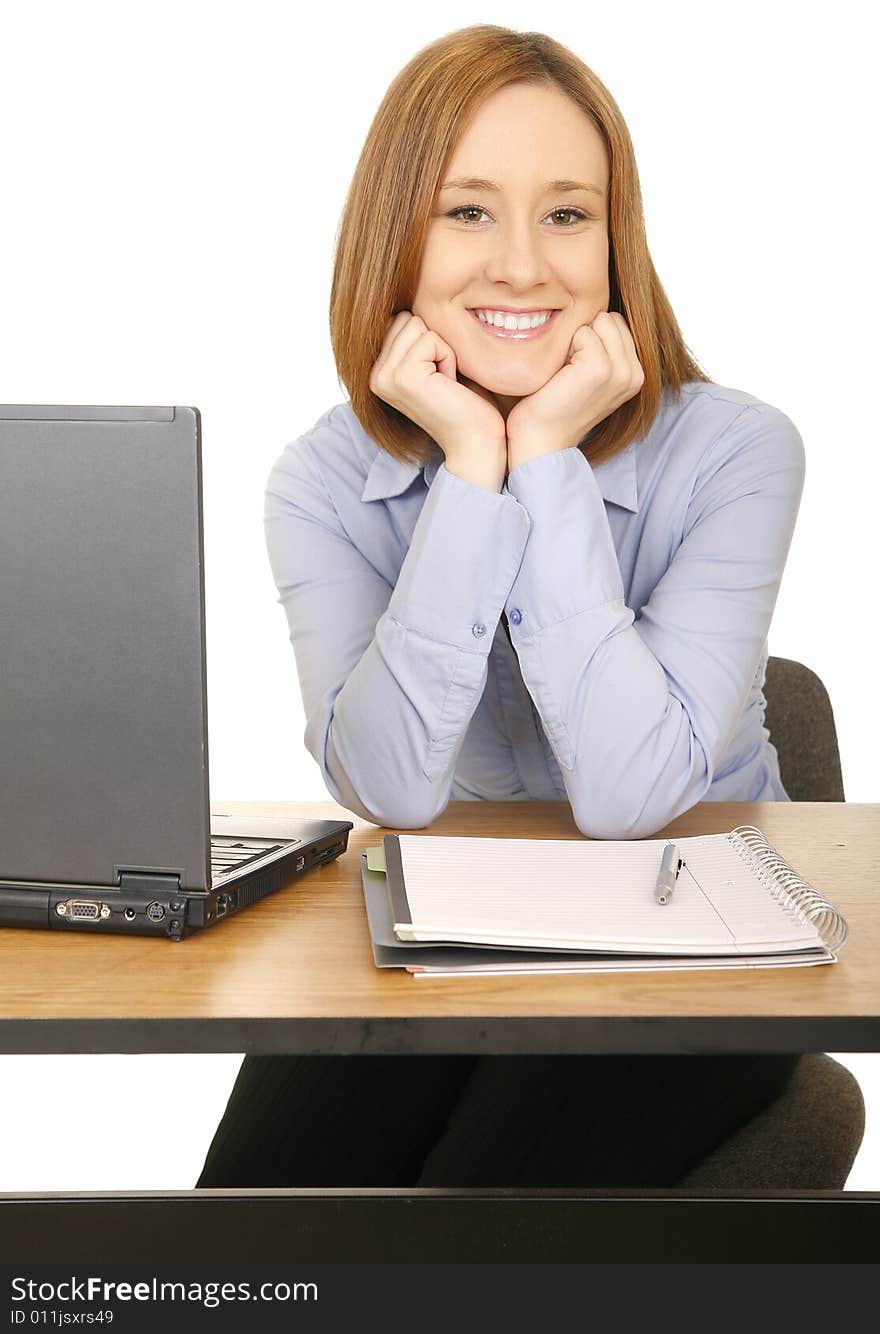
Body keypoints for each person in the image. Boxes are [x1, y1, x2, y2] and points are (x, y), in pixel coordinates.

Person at [196, 24, 808, 1190]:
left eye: (567, 214)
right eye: (467, 211)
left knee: (464, 1221)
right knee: (255, 1210)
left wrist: (545, 461)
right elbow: (389, 786)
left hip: (706, 944)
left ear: (615, 243)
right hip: (447, 928)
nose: (522, 264)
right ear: (397, 239)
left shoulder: (739, 451)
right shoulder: (323, 482)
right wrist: (472, 467)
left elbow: (631, 794)